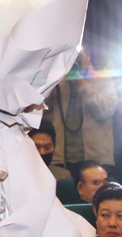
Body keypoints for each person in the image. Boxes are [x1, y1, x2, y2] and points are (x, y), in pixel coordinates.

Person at [47, 47, 117, 176]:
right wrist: (50, 82)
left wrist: (82, 85)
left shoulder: (102, 79)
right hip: (62, 159)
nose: (75, 60)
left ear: (88, 57)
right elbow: (43, 112)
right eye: (71, 56)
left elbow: (106, 110)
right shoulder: (58, 83)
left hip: (96, 158)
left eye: (78, 56)